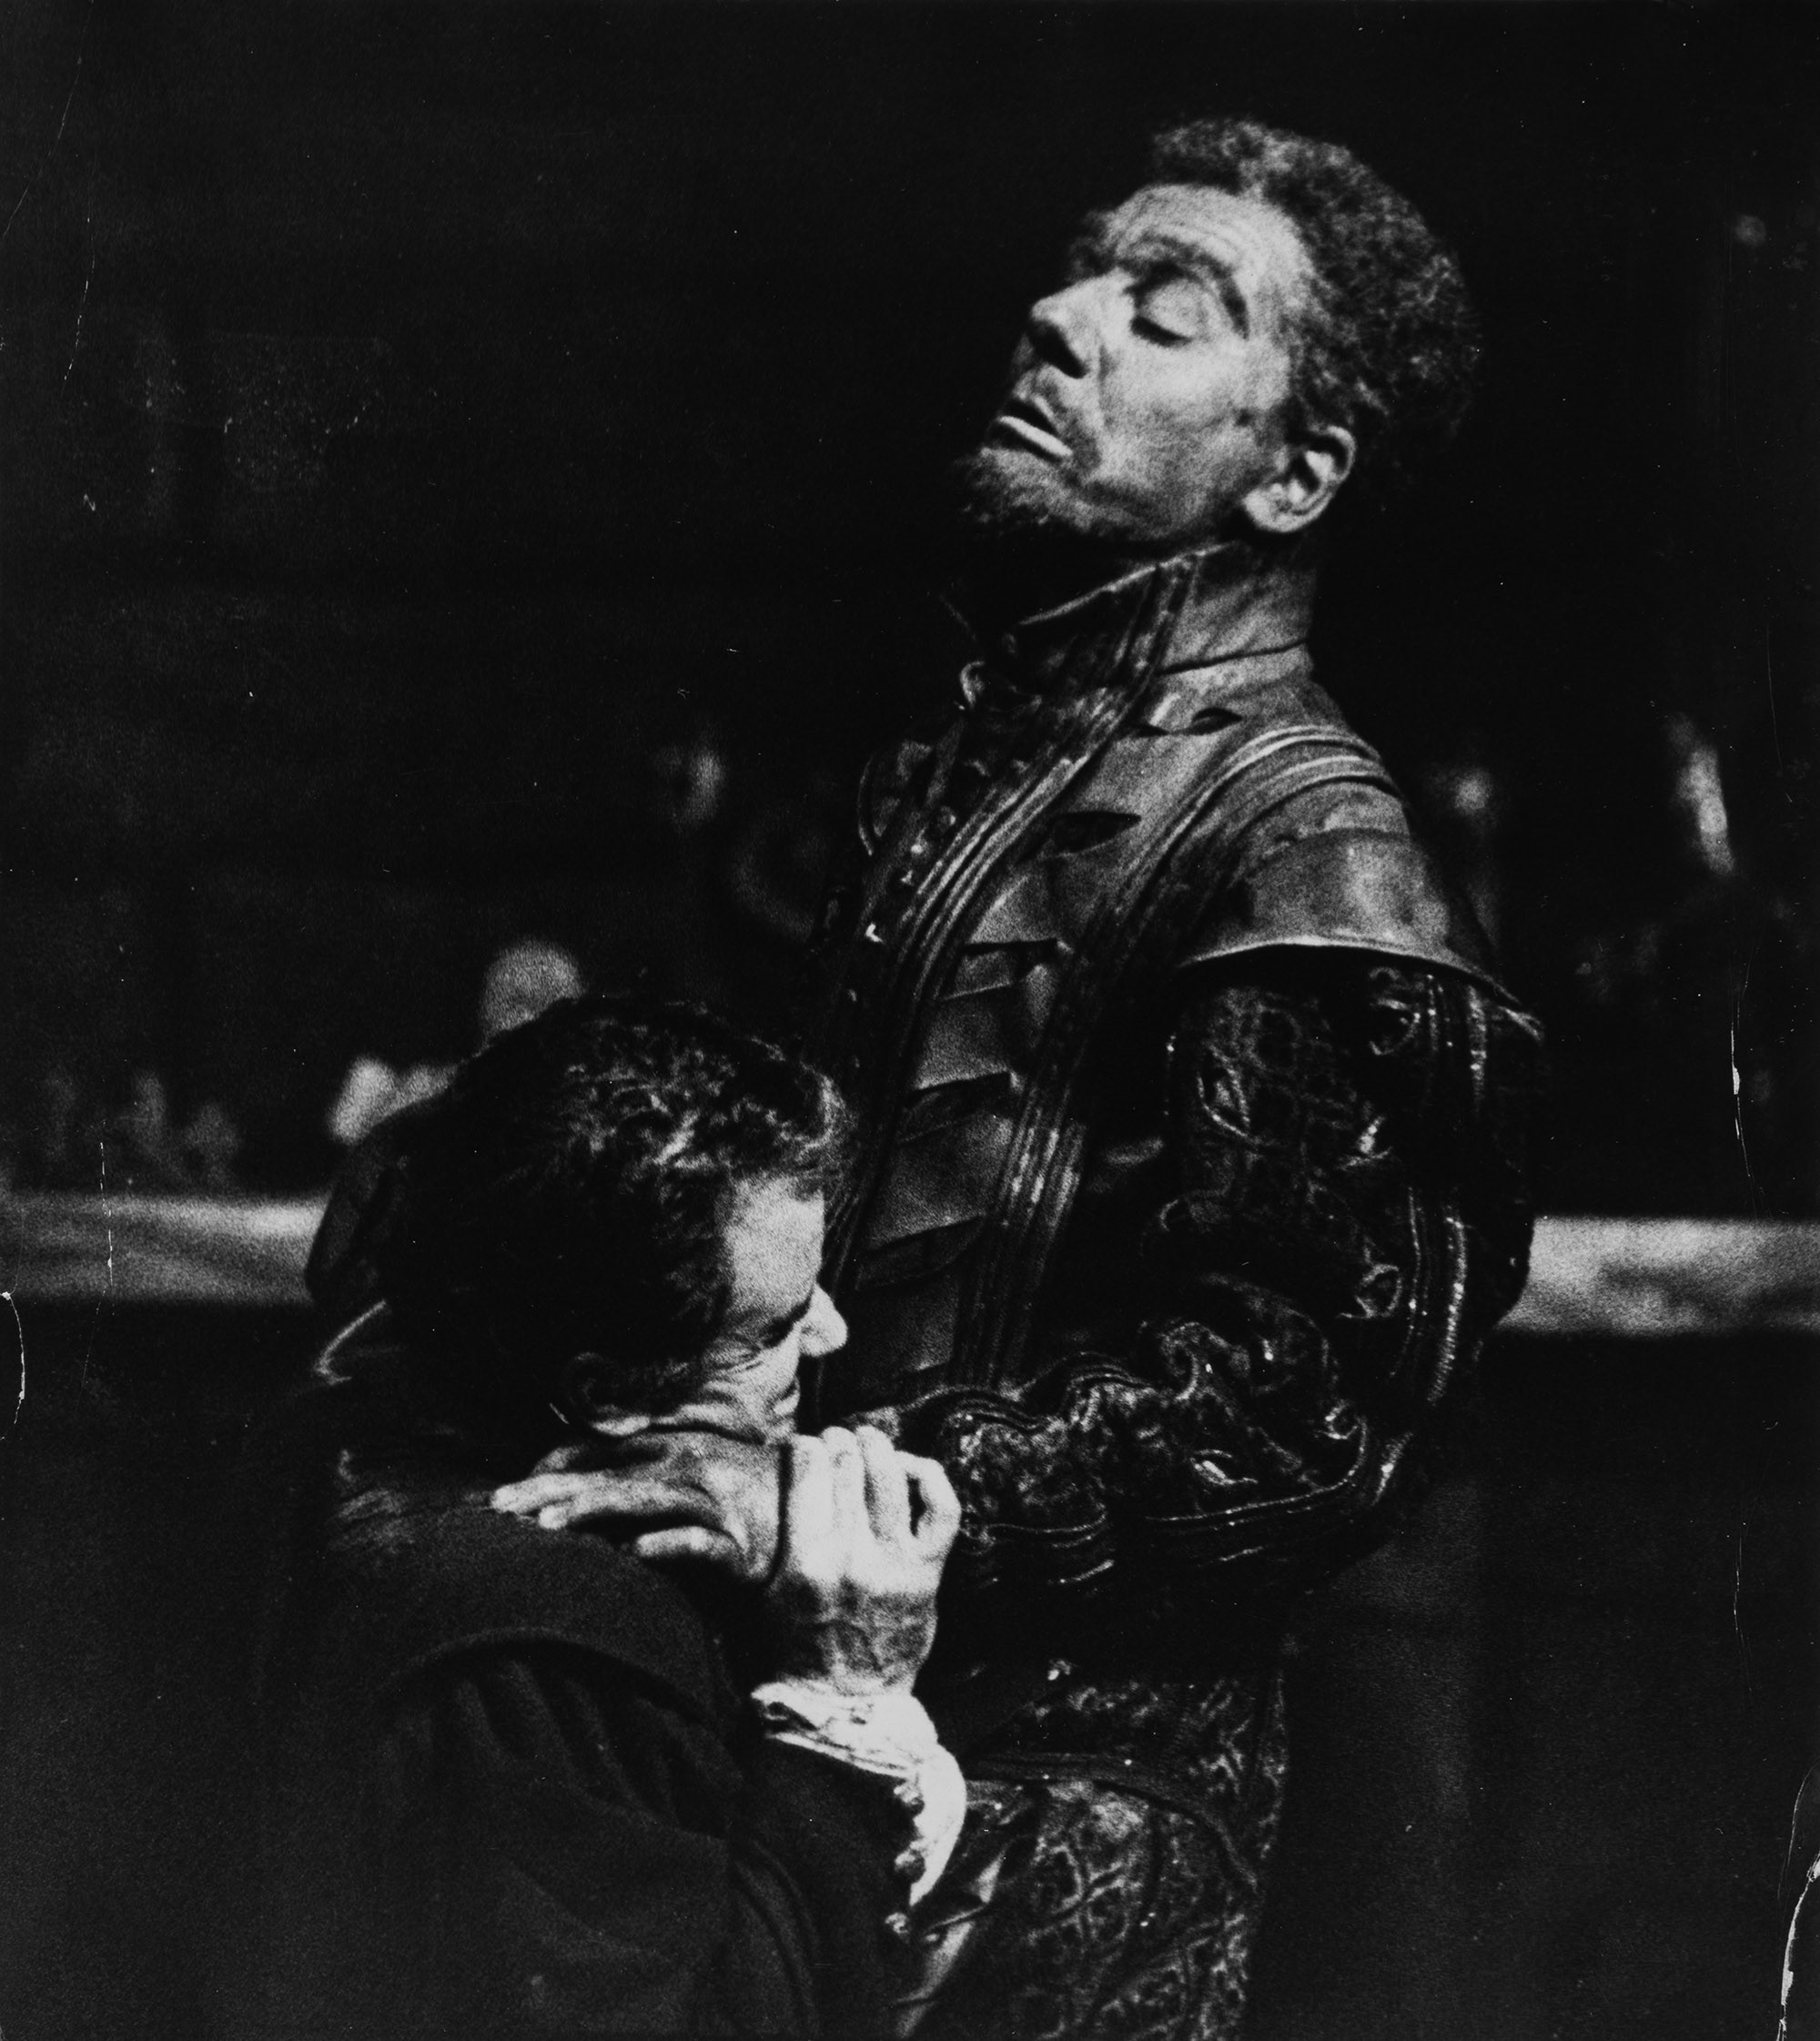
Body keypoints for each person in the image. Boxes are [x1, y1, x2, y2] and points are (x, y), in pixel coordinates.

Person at [501, 116, 1543, 2040]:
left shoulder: (1314, 854)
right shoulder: (967, 761)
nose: (1061, 320)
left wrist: (837, 1502)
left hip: (1076, 1818)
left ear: (1295, 470)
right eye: (1082, 271)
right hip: (807, 1707)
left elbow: (1298, 1404)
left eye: (1164, 310)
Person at [240, 997, 965, 2041]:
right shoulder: (565, 1624)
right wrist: (846, 1697)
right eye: (769, 1328)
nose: (831, 1331)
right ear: (608, 1391)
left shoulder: (371, 1372)